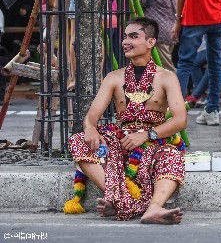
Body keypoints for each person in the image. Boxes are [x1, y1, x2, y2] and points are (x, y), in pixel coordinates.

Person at [65, 17, 187, 224]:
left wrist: (146, 135)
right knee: (78, 140)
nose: (125, 42)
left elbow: (180, 120)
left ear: (151, 42)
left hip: (154, 140)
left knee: (173, 157)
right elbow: (92, 117)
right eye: (124, 37)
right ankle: (119, 197)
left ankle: (153, 208)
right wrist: (89, 128)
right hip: (120, 139)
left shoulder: (167, 77)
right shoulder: (114, 77)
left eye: (133, 36)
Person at [142, 0, 178, 71]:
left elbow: (142, 0)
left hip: (159, 32)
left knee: (166, 67)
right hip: (171, 30)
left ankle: (175, 88)